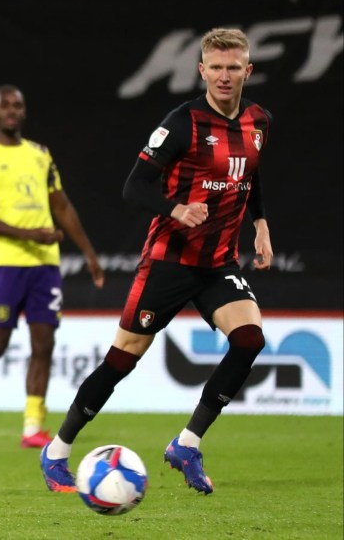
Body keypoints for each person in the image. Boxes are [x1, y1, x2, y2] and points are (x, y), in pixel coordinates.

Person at [40, 28, 273, 495]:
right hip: (169, 261)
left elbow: (248, 175)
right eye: (216, 67)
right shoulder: (183, 122)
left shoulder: (259, 120)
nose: (224, 76)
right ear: (201, 70)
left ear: (247, 71)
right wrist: (176, 209)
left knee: (249, 340)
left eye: (234, 68)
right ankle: (58, 450)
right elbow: (134, 186)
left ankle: (186, 444)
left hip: (218, 263)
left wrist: (260, 223)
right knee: (121, 361)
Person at [0, 86, 104, 449]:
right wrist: (33, 235)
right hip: (8, 265)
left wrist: (88, 252)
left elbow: (61, 206)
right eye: (4, 105)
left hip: (45, 266)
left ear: (23, 113)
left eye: (18, 105)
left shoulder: (41, 154)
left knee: (44, 343)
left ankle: (32, 427)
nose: (11, 111)